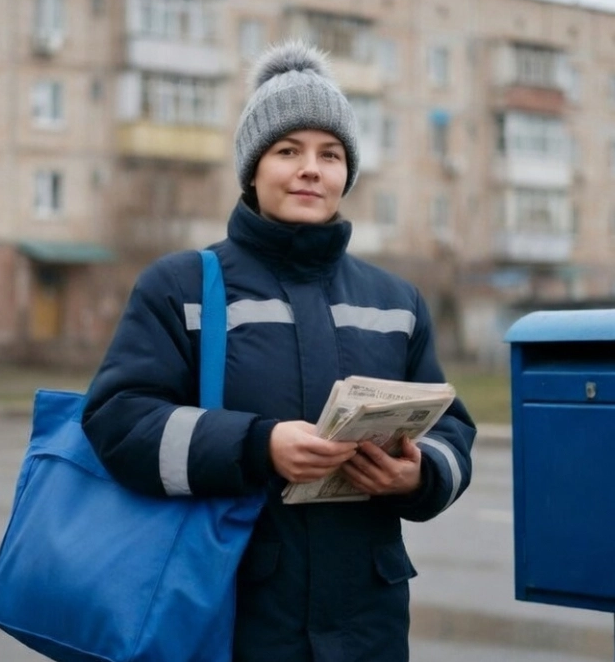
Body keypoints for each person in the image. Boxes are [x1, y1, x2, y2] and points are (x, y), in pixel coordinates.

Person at [81, 40, 476, 662]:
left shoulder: (396, 300)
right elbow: (118, 421)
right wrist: (258, 445)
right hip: (233, 615)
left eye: (331, 153)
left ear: (348, 173)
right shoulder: (182, 286)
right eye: (288, 150)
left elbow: (452, 429)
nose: (311, 169)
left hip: (367, 628)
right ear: (252, 168)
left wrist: (418, 473)